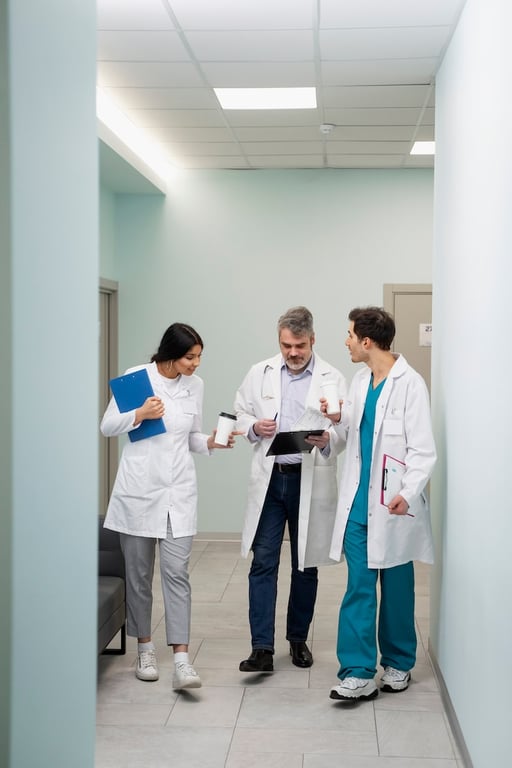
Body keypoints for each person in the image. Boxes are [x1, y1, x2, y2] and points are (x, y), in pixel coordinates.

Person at [101, 322, 237, 690]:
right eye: (190, 357)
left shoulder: (195, 385)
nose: (196, 364)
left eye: (199, 357)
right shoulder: (137, 378)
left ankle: (181, 659)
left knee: (177, 573)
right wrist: (139, 414)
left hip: (178, 493)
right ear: (170, 355)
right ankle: (145, 649)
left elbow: (191, 437)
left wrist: (212, 442)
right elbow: (108, 426)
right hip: (138, 494)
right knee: (139, 576)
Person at [323, 307, 436, 701]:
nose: (347, 341)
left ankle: (399, 662)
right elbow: (350, 437)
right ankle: (357, 672)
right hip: (358, 505)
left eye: (350, 335)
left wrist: (409, 491)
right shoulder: (359, 381)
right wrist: (329, 432)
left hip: (394, 505)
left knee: (398, 589)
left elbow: (423, 449)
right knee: (359, 587)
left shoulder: (410, 384)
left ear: (367, 341)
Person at [235, 306, 347, 672]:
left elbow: (345, 429)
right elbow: (240, 413)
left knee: (305, 564)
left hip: (308, 480)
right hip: (271, 480)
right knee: (263, 561)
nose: (293, 353)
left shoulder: (333, 377)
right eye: (286, 346)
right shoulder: (260, 372)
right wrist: (255, 427)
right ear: (279, 341)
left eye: (300, 346)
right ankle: (261, 648)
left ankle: (298, 640)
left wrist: (328, 439)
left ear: (313, 340)